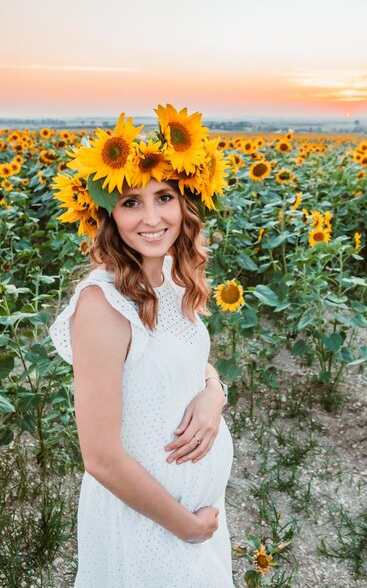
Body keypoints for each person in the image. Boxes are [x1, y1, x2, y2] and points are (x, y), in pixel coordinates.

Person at [49, 106, 234, 587]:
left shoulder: (173, 278)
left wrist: (214, 394)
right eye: (131, 202)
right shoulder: (102, 306)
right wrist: (186, 526)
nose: (152, 218)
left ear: (185, 203)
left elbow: (189, 361)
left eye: (164, 197)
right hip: (147, 525)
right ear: (106, 213)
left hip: (193, 518)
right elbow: (102, 459)